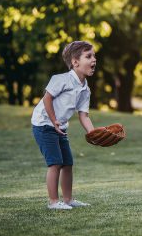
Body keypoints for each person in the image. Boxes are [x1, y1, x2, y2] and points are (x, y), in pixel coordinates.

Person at [31, 41, 97, 210]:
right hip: (44, 124)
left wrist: (93, 133)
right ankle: (53, 202)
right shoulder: (61, 79)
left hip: (61, 127)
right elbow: (47, 98)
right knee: (55, 163)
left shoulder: (85, 89)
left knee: (67, 164)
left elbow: (83, 115)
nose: (94, 59)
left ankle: (68, 200)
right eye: (88, 56)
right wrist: (53, 120)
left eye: (94, 56)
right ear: (75, 62)